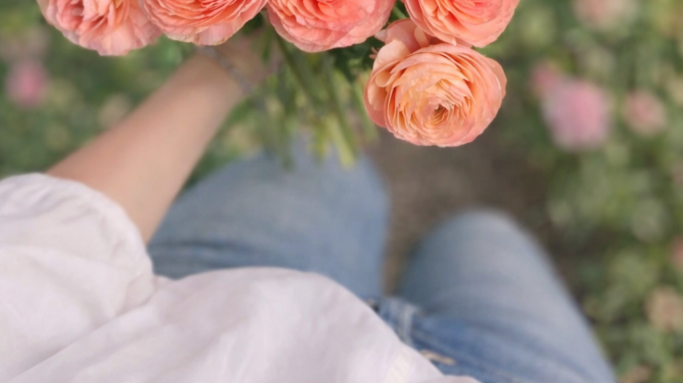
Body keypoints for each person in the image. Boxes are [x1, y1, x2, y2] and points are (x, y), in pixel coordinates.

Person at [0, 30, 616, 383]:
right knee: (484, 234)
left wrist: (239, 52)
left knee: (322, 163)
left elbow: (43, 262)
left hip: (216, 317)